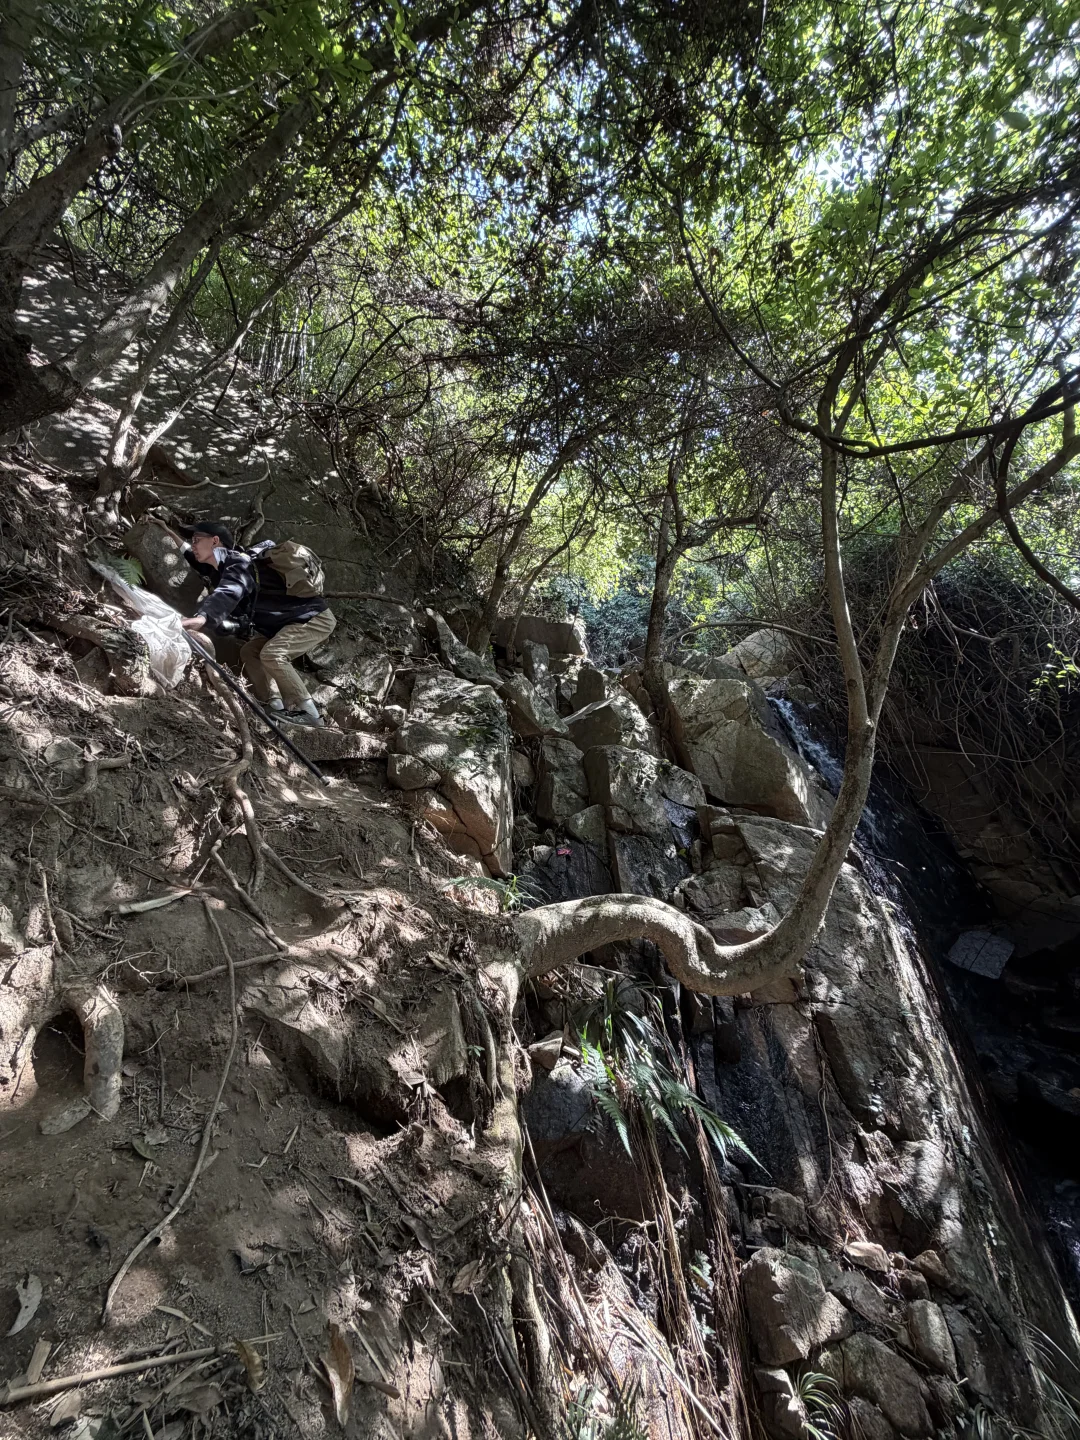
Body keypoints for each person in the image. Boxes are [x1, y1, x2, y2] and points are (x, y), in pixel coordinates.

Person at [164, 518, 336, 727]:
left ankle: (310, 714)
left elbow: (229, 591)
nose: (194, 544)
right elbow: (192, 557)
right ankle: (275, 705)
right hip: (284, 624)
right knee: (249, 652)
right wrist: (164, 529)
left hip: (312, 618)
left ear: (215, 541)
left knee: (273, 654)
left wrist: (203, 618)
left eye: (198, 539)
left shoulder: (238, 563)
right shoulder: (219, 568)